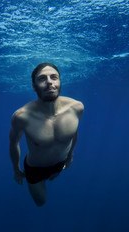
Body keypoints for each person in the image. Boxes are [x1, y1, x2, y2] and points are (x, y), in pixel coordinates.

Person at [9, 63, 84, 207]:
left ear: (59, 82)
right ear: (34, 86)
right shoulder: (21, 117)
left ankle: (52, 174)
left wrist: (71, 155)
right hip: (35, 169)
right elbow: (13, 143)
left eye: (54, 77)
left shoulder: (77, 108)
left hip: (60, 163)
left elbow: (73, 132)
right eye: (42, 78)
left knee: (53, 176)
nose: (49, 81)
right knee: (40, 202)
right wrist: (16, 170)